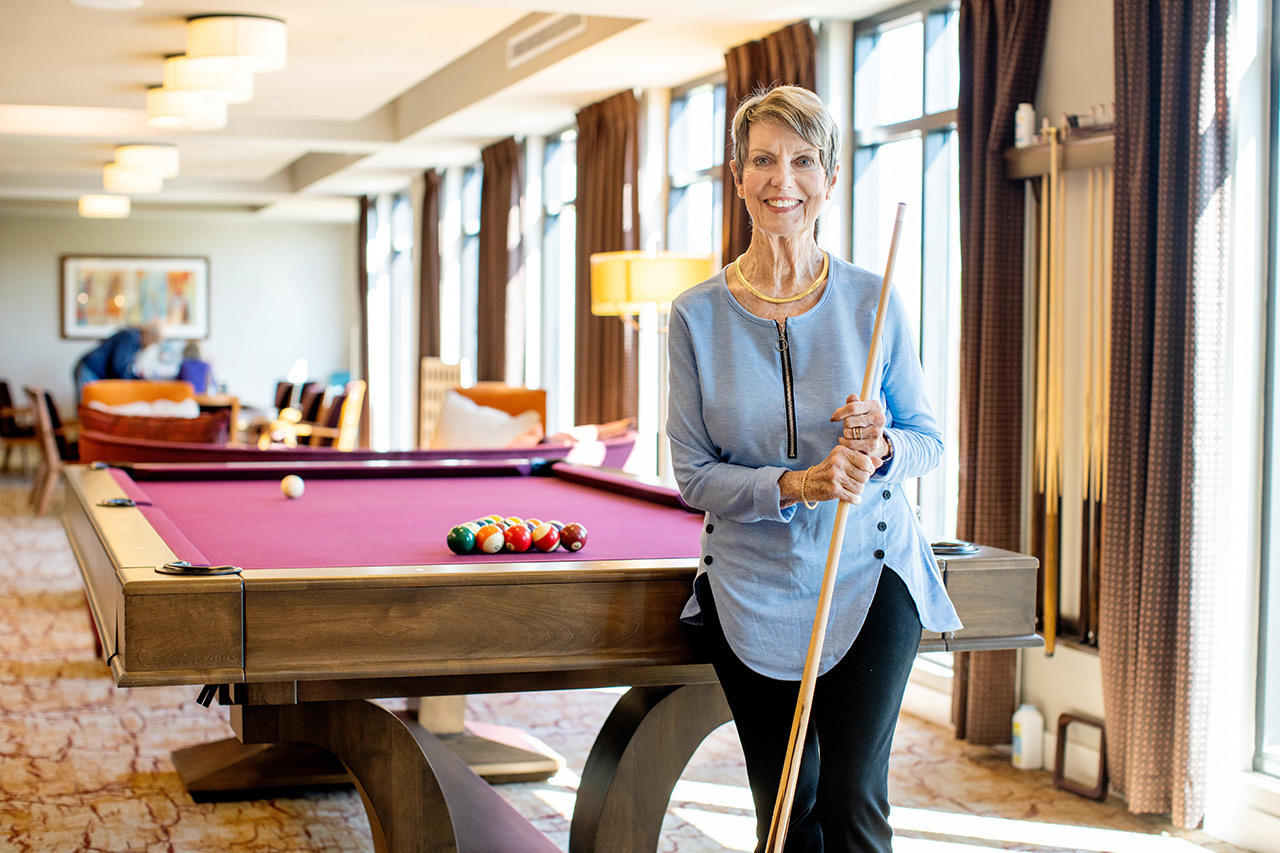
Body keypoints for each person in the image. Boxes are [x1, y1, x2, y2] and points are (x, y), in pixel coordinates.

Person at [666, 85, 961, 853]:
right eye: (762, 160)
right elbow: (694, 474)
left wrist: (885, 443)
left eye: (802, 161)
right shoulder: (695, 316)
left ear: (829, 179)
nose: (781, 180)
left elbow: (929, 438)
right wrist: (800, 483)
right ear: (737, 177)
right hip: (750, 583)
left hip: (868, 571)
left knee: (855, 798)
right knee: (787, 807)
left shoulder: (873, 299)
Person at [72, 319, 164, 397]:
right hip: (89, 370)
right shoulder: (130, 337)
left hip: (93, 372)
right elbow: (118, 366)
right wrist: (133, 383)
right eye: (153, 342)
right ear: (150, 337)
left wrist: (137, 380)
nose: (150, 346)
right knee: (87, 408)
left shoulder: (134, 340)